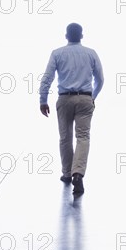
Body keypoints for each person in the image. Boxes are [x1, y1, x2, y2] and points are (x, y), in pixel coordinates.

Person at [39, 23, 104, 196]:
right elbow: (100, 80)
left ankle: (67, 174)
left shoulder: (57, 53)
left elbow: (47, 79)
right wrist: (92, 97)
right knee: (83, 137)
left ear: (66, 36)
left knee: (65, 138)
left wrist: (43, 100)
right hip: (84, 98)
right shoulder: (91, 53)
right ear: (82, 36)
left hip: (64, 99)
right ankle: (78, 174)